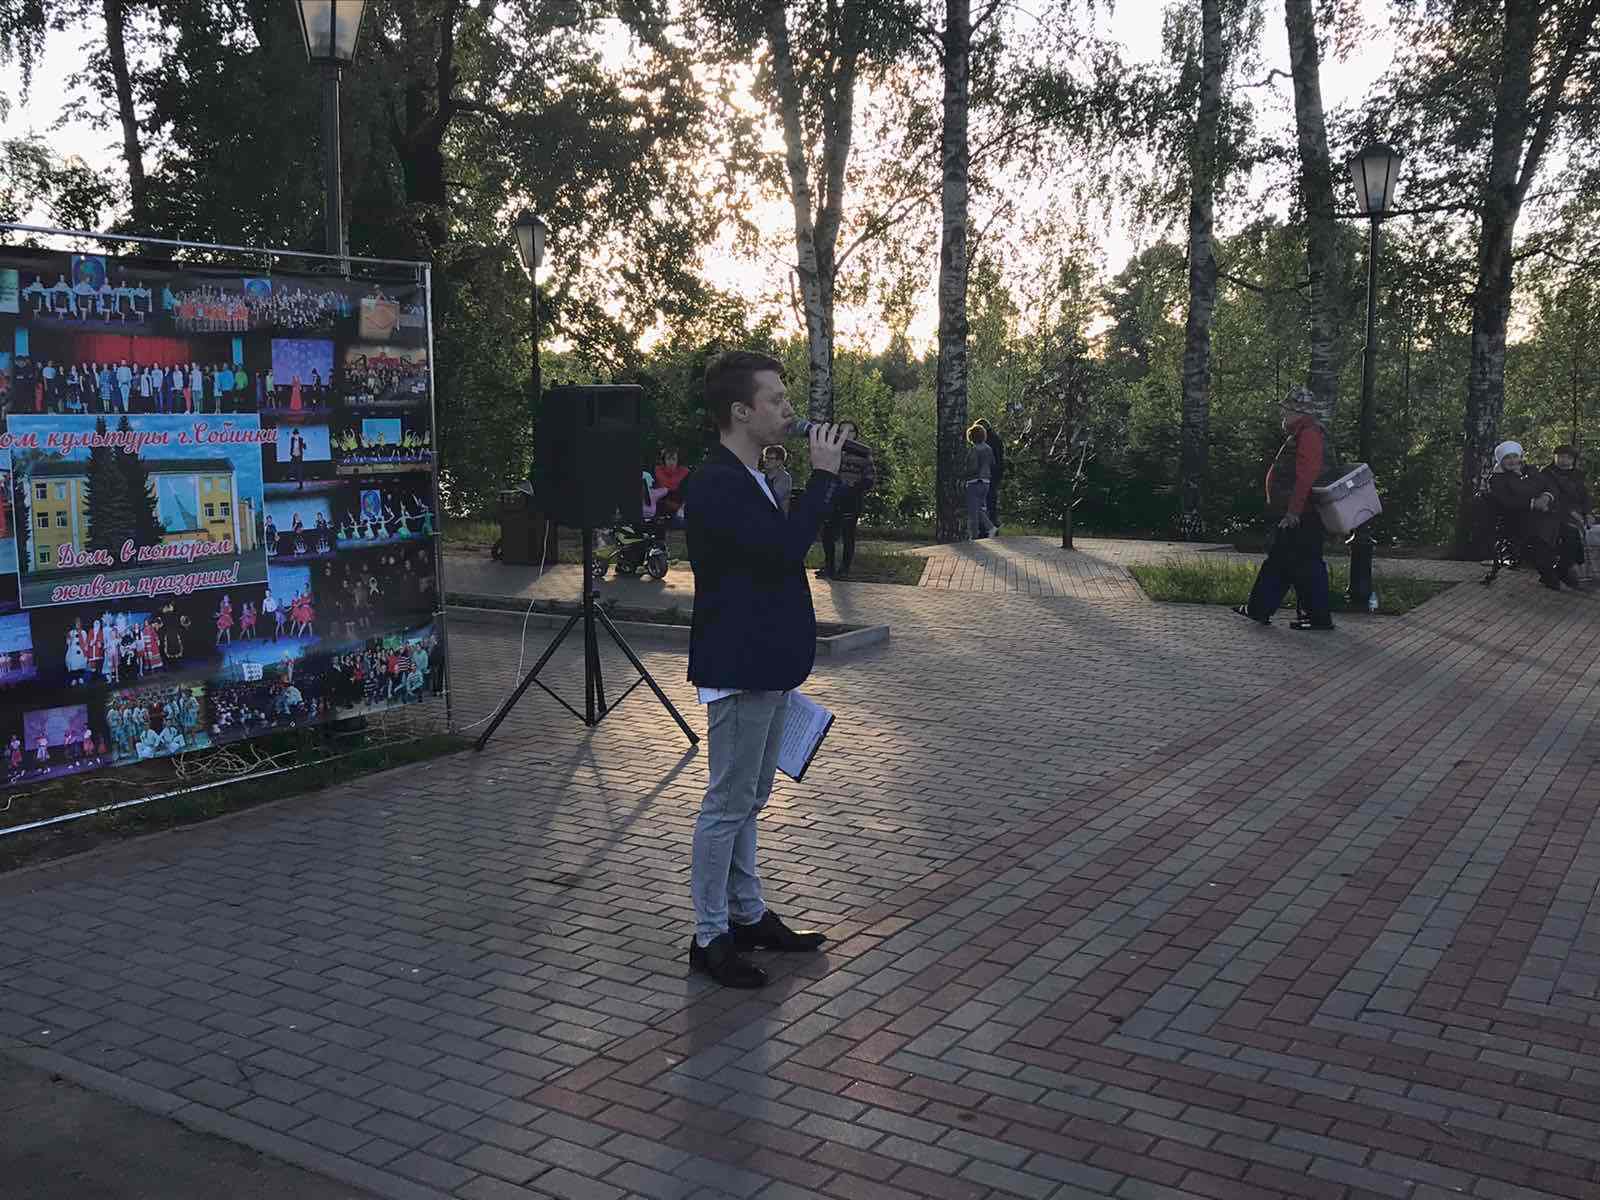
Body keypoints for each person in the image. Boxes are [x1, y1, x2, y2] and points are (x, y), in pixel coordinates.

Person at [682, 350, 845, 989]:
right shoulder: (715, 482)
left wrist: (819, 485)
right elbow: (780, 554)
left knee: (751, 799)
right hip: (740, 663)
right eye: (775, 399)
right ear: (741, 412)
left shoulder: (753, 476)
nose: (787, 409)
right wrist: (822, 480)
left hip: (768, 664)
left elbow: (778, 552)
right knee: (727, 803)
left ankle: (747, 914)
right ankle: (709, 936)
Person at [1238, 386, 1335, 628]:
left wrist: (1293, 512)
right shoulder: (1304, 432)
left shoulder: (1309, 434)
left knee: (1301, 564)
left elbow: (1305, 476)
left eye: (1287, 409)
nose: (1283, 413)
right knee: (1285, 562)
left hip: (1302, 514)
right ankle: (1260, 609)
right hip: (1301, 512)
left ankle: (1317, 617)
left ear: (1298, 412)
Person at [1488, 441, 1563, 590]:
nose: (1512, 460)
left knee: (1570, 533)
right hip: (1516, 520)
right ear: (1501, 460)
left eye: (1514, 456)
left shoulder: (1531, 470)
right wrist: (1533, 502)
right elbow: (1507, 502)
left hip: (1543, 514)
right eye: (1507, 458)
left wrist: (1546, 497)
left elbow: (1549, 485)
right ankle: (1549, 575)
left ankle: (1563, 570)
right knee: (1541, 537)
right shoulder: (1497, 479)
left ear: (1520, 457)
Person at [819, 428, 875, 579]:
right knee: (827, 533)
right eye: (843, 429)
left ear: (856, 434)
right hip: (833, 497)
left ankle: (844, 569)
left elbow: (870, 479)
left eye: (850, 430)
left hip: (852, 499)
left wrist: (854, 489)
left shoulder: (863, 453)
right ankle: (829, 566)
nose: (847, 433)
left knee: (847, 534)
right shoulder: (834, 450)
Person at [1543, 444, 1593, 587]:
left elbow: (1585, 496)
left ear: (1573, 459)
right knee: (1572, 532)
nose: (1564, 460)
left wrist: (1587, 513)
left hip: (1578, 512)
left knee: (1591, 528)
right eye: (1560, 456)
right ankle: (1564, 570)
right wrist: (1572, 513)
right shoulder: (1547, 473)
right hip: (1555, 512)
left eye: (1568, 457)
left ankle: (1570, 570)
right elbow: (1553, 496)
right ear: (1554, 457)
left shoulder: (1578, 474)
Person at [964, 423, 997, 540]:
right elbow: (993, 463)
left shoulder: (974, 450)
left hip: (974, 481)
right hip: (986, 482)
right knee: (980, 508)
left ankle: (975, 535)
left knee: (973, 510)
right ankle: (987, 529)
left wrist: (964, 473)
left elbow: (973, 467)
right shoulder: (989, 448)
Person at [977, 418, 1005, 532]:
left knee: (984, 500)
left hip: (987, 475)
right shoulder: (996, 439)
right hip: (995, 473)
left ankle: (986, 526)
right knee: (991, 499)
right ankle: (991, 523)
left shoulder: (986, 442)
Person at [655, 448, 690, 525]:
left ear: (678, 460)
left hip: (678, 506)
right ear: (664, 460)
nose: (671, 462)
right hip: (660, 506)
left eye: (674, 459)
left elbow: (687, 492)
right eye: (668, 459)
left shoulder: (685, 473)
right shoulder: (657, 471)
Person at [761, 445, 793, 514]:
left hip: (776, 515)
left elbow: (771, 498)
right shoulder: (761, 475)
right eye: (766, 457)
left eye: (771, 458)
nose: (767, 461)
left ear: (779, 462)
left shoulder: (785, 478)